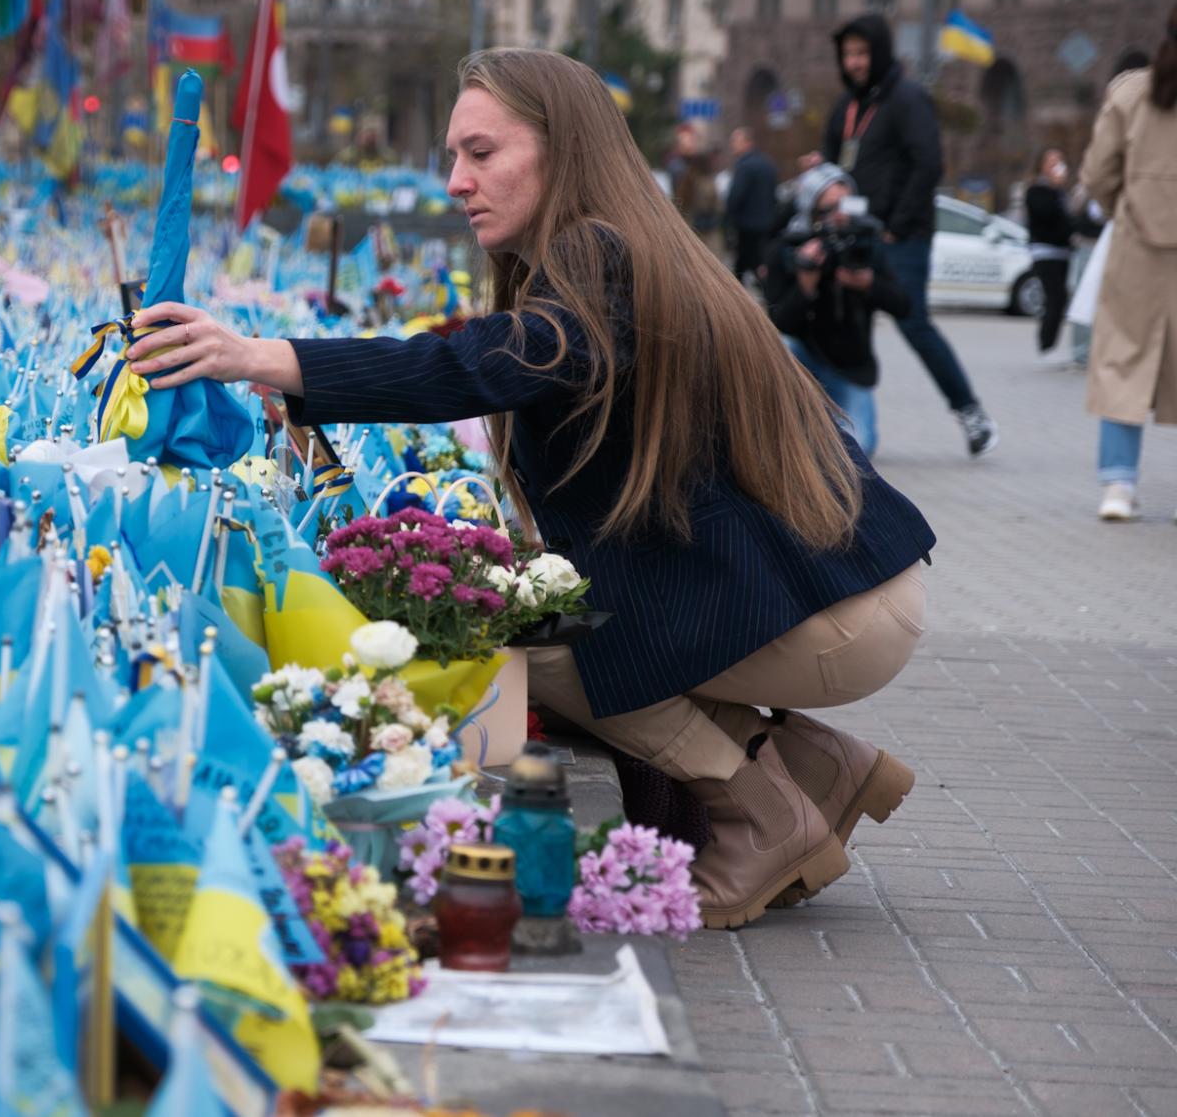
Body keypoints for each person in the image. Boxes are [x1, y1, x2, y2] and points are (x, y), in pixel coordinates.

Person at [129, 49, 936, 930]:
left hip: (832, 606)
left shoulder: (597, 255)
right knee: (554, 613)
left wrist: (259, 356)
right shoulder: (616, 245)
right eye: (453, 155)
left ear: (563, 150)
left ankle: (761, 812)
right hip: (837, 584)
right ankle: (820, 766)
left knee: (529, 647)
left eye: (481, 153)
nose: (456, 181)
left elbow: (473, 366)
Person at [822, 13, 999, 457]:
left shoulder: (907, 99)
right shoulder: (845, 107)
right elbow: (832, 165)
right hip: (851, 235)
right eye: (848, 54)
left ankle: (971, 412)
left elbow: (928, 164)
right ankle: (848, 426)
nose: (854, 62)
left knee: (914, 322)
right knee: (845, 325)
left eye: (862, 53)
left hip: (900, 239)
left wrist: (895, 228)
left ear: (880, 53)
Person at [1077, 4, 1177, 523]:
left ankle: (1118, 484)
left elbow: (1097, 173)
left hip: (1137, 246)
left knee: (1123, 359)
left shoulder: (1131, 92)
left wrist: (1123, 207)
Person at [765, 165, 911, 457]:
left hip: (849, 370)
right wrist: (805, 285)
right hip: (803, 365)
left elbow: (904, 306)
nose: (840, 216)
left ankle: (823, 429)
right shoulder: (788, 248)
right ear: (810, 209)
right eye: (830, 208)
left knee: (858, 449)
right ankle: (789, 425)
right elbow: (779, 322)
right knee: (780, 345)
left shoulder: (865, 243)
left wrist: (869, 283)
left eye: (847, 205)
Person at [1022, 148, 1079, 358]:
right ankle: (1046, 344)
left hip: (1063, 252)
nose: (1056, 165)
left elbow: (1069, 221)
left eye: (1059, 160)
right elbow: (1044, 215)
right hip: (1044, 251)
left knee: (1057, 299)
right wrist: (1055, 188)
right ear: (1042, 165)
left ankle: (1048, 344)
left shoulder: (1062, 192)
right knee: (1056, 297)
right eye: (1051, 161)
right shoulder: (1036, 190)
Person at [724, 126, 782, 284]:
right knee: (759, 264)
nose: (732, 145)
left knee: (743, 266)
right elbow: (774, 195)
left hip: (746, 226)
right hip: (767, 224)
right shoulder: (768, 163)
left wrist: (728, 219)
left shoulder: (744, 166)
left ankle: (736, 295)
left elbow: (735, 197)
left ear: (747, 142)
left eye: (735, 141)